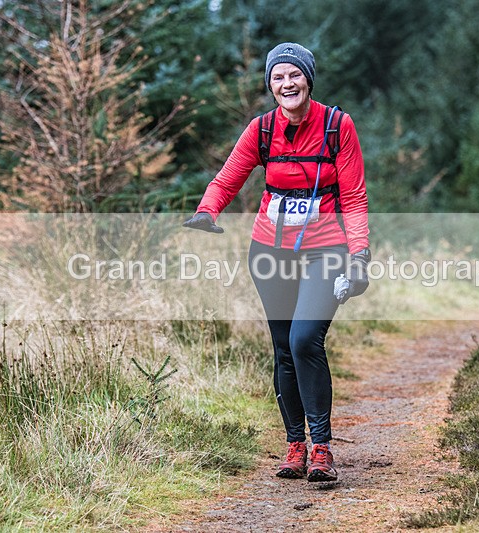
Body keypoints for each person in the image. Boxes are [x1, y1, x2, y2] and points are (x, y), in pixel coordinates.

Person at [183, 42, 370, 482]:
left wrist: (359, 255)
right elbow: (228, 177)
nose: (287, 84)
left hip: (326, 248)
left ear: (309, 79)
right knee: (284, 346)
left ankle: (321, 447)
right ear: (270, 86)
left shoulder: (337, 126)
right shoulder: (262, 129)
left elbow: (354, 196)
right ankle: (294, 445)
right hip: (270, 250)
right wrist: (208, 210)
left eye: (294, 75)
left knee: (305, 339)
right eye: (278, 77)